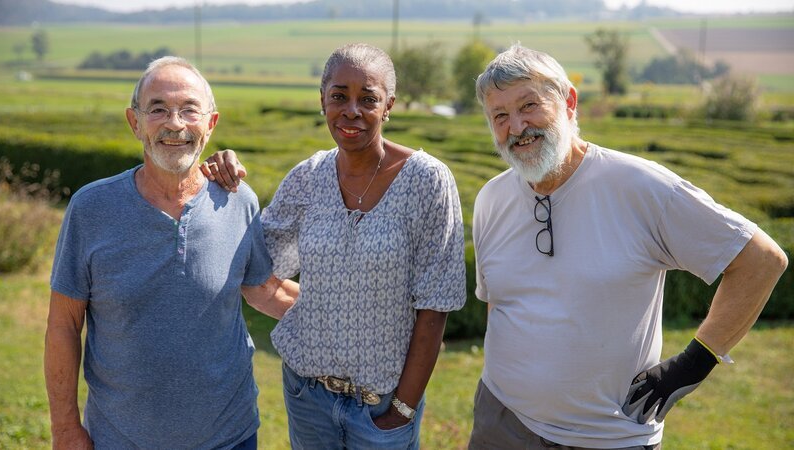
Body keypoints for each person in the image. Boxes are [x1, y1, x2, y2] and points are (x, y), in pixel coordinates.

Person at [467, 44, 789, 449]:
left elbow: (761, 260)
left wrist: (695, 361)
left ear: (568, 101)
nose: (516, 127)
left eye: (529, 106)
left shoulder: (641, 187)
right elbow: (499, 304)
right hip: (501, 424)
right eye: (500, 116)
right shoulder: (490, 199)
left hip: (609, 437)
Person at [201, 43, 466, 449]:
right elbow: (250, 260)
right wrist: (221, 184)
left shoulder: (428, 181)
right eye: (339, 96)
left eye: (368, 99)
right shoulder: (308, 177)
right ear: (322, 100)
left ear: (389, 104)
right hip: (307, 398)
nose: (351, 111)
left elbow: (435, 307)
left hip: (383, 410)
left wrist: (402, 410)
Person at [44, 56, 298, 449]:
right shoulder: (90, 209)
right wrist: (65, 429)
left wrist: (357, 314)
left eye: (189, 110)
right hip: (119, 439)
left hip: (229, 438)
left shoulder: (238, 201)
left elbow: (265, 289)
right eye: (158, 109)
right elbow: (62, 326)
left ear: (210, 125)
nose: (175, 123)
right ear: (134, 122)